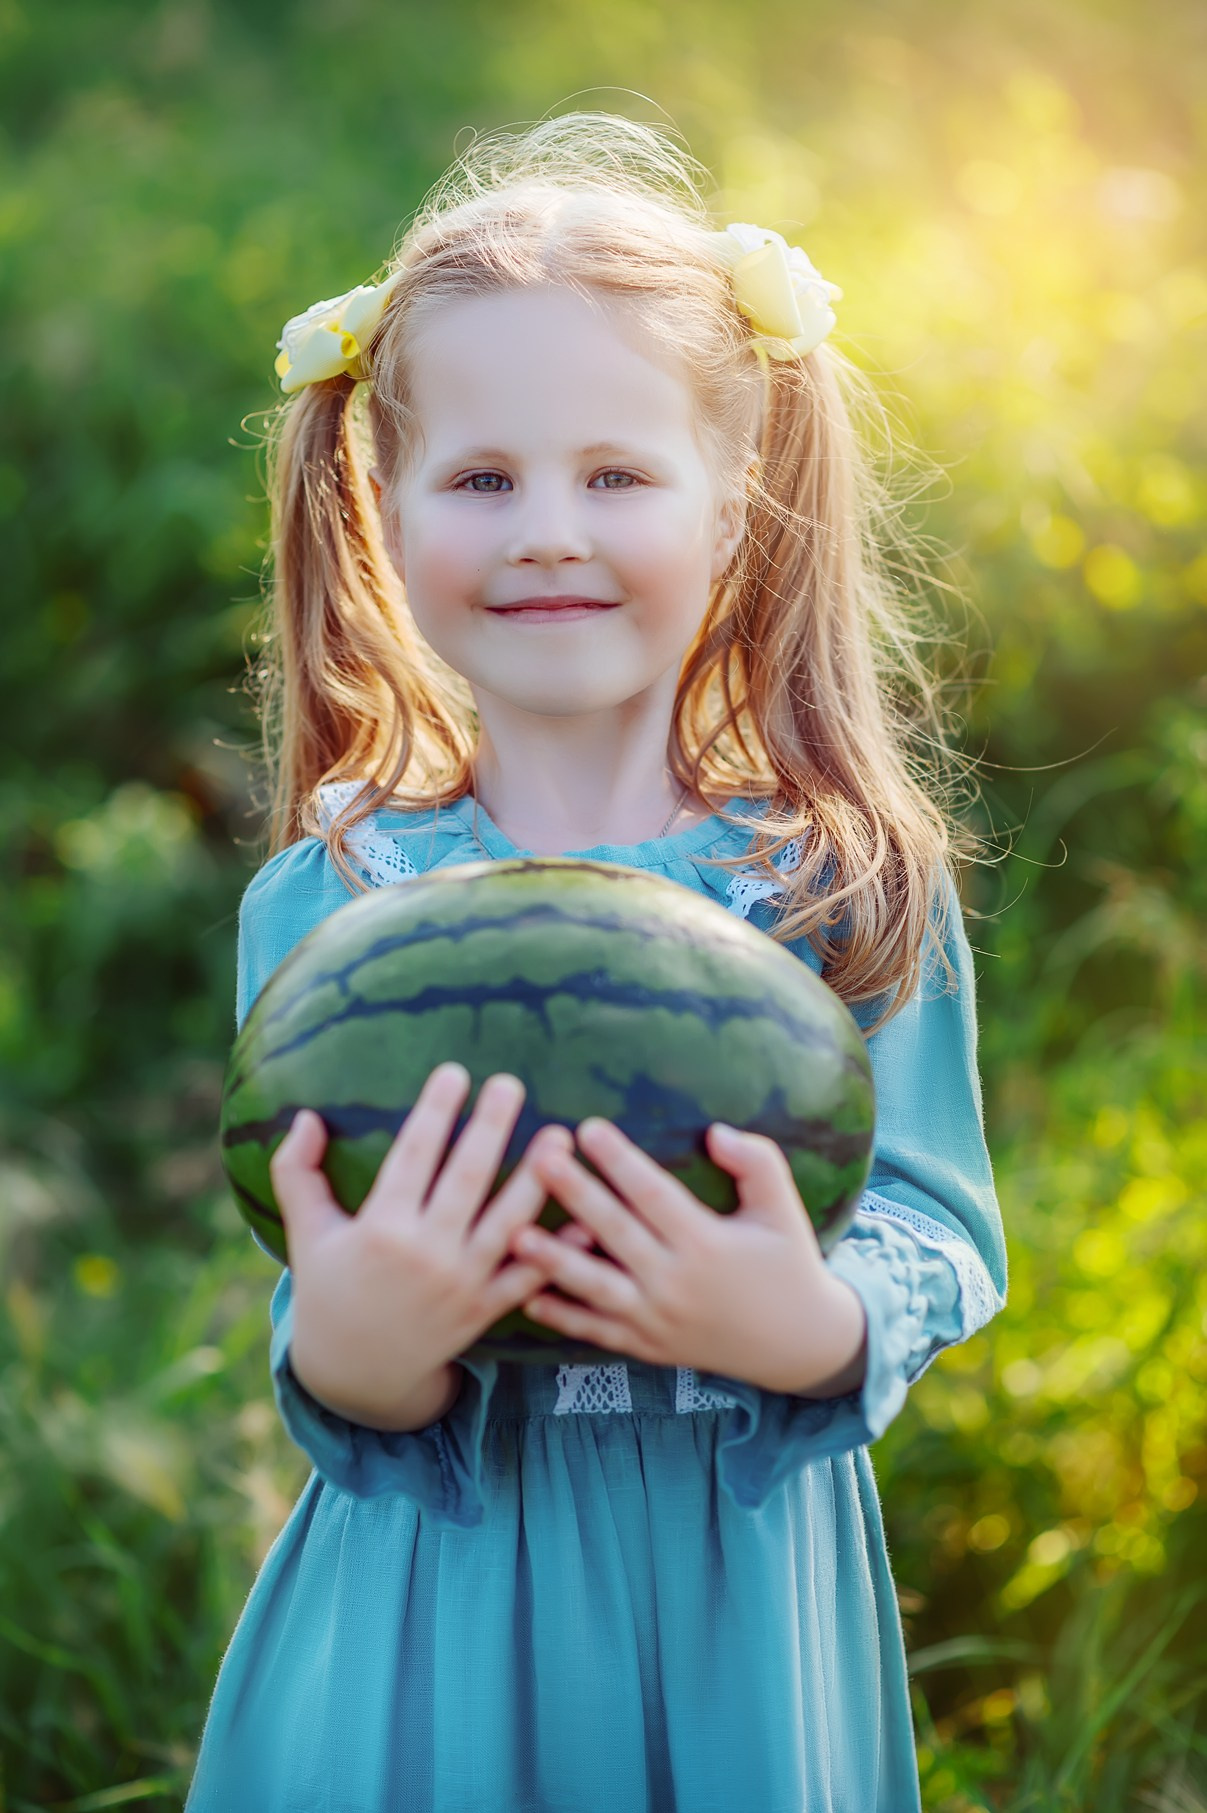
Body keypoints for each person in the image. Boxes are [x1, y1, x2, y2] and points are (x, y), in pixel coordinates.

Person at [187, 112, 1007, 1812]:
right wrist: (362, 1335)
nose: (547, 531)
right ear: (384, 511)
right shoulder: (331, 894)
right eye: (482, 479)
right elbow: (313, 1276)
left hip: (736, 1597)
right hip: (437, 1590)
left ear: (734, 508)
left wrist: (811, 1317)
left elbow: (938, 1215)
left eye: (616, 476)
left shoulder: (838, 877)